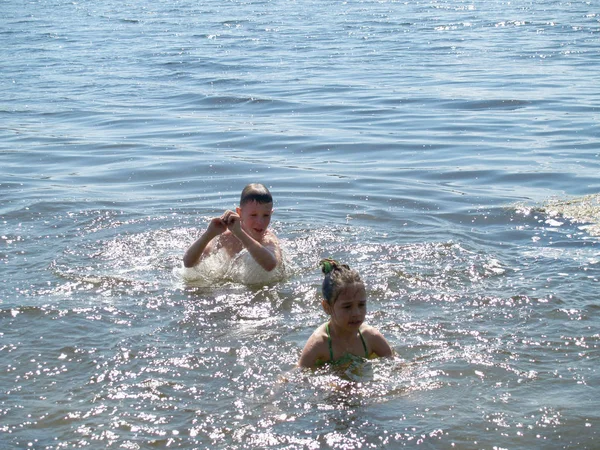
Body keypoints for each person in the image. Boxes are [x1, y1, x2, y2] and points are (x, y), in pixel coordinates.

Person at [298, 258, 393, 369]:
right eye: (347, 307)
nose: (356, 313)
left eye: (361, 305)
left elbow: (394, 363)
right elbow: (300, 372)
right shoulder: (319, 344)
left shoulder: (370, 337)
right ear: (327, 307)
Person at [183, 183, 281, 272]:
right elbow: (188, 263)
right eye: (253, 215)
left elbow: (270, 266)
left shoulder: (269, 240)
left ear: (271, 213)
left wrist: (239, 233)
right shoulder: (227, 237)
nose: (260, 222)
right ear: (239, 213)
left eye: (266, 215)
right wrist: (209, 234)